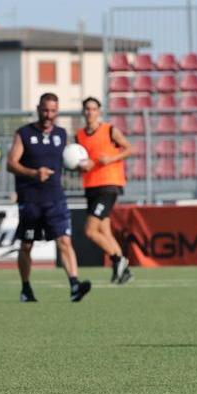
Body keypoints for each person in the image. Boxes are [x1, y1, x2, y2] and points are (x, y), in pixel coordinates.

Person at [6, 93, 92, 302]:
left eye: (53, 111)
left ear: (57, 112)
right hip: (30, 200)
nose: (48, 115)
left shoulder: (62, 135)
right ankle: (26, 288)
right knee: (27, 245)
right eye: (45, 110)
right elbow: (11, 164)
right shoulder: (24, 134)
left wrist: (82, 165)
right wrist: (34, 173)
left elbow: (70, 159)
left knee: (64, 240)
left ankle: (74, 285)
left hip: (55, 198)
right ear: (38, 109)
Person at [75, 96, 135, 284]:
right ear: (83, 112)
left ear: (99, 112)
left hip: (109, 185)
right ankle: (125, 272)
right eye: (87, 109)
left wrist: (111, 159)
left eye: (93, 109)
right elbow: (80, 160)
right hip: (91, 185)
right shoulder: (79, 135)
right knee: (104, 231)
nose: (90, 112)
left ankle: (118, 260)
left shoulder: (109, 130)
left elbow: (129, 149)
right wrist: (80, 166)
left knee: (90, 230)